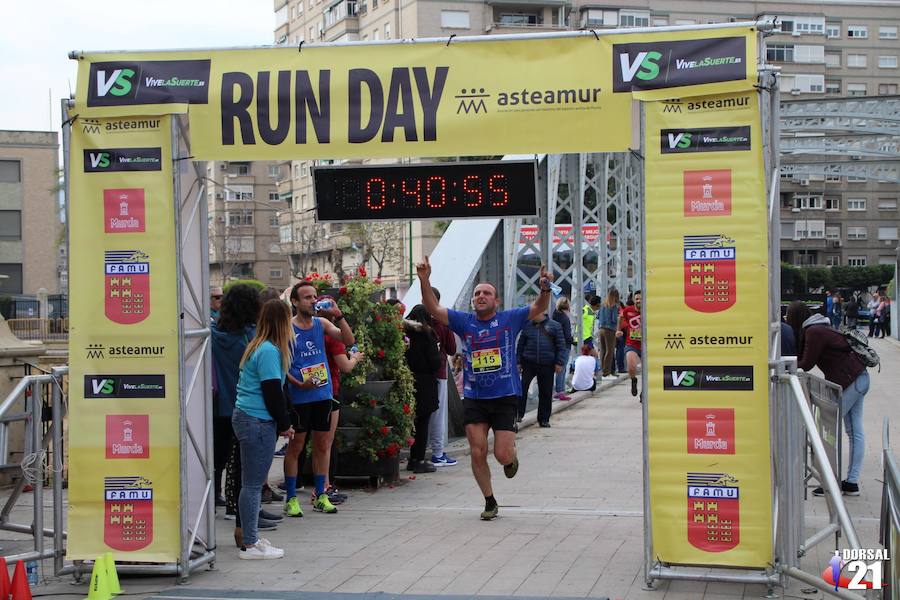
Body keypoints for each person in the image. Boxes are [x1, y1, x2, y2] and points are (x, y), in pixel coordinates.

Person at [417, 255, 554, 520]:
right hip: (475, 397)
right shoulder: (463, 321)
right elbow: (433, 309)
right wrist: (424, 280)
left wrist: (545, 288)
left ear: (496, 300)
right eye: (478, 292)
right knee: (477, 449)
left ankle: (510, 459)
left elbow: (538, 307)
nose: (481, 296)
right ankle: (490, 500)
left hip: (504, 396)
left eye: (487, 293)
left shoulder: (510, 318)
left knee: (501, 454)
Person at [282, 281, 355, 517]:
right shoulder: (287, 329)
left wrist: (339, 315)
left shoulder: (321, 323)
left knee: (323, 446)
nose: (313, 301)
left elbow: (348, 341)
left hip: (323, 394)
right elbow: (281, 367)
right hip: (300, 397)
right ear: (295, 302)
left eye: (314, 296)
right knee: (296, 446)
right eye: (307, 297)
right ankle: (291, 497)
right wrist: (299, 383)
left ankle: (321, 494)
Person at [232, 300, 295, 559]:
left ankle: (251, 538)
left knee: (251, 483)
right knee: (253, 484)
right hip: (257, 420)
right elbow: (272, 393)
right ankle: (250, 543)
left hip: (249, 417)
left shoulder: (257, 346)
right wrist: (285, 424)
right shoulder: (269, 351)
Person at [786, 300, 869, 496]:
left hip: (851, 381)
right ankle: (852, 482)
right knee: (853, 431)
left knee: (827, 428)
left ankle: (830, 481)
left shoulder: (814, 332)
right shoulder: (820, 327)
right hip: (859, 378)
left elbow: (806, 363)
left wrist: (784, 362)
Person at [318, 297, 364, 503]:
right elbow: (345, 366)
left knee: (305, 444)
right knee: (325, 443)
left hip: (311, 390)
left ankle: (318, 487)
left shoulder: (310, 329)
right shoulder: (331, 336)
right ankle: (324, 487)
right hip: (329, 390)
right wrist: (355, 358)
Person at [404, 304, 443, 473]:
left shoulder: (404, 334)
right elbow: (435, 362)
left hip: (407, 382)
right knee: (423, 423)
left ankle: (411, 458)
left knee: (411, 423)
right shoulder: (428, 335)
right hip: (425, 384)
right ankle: (418, 459)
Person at [426, 289, 459, 467]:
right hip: (438, 373)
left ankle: (420, 451)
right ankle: (437, 453)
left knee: (422, 414)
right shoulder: (443, 323)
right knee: (438, 414)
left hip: (418, 374)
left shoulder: (414, 319)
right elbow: (452, 350)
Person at [516, 313, 566, 427]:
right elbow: (520, 345)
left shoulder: (555, 326)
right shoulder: (527, 325)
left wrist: (559, 362)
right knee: (522, 388)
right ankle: (519, 413)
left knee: (546, 392)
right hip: (529, 362)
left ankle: (544, 419)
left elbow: (561, 345)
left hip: (547, 363)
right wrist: (518, 361)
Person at [617, 290, 642, 399]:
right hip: (632, 343)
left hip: (647, 344)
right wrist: (619, 330)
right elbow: (621, 317)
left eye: (641, 299)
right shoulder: (628, 310)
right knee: (631, 366)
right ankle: (633, 380)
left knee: (648, 372)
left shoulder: (650, 310)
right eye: (636, 299)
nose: (639, 301)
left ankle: (644, 393)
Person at [551, 297, 574, 401]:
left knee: (556, 368)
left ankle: (556, 390)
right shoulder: (565, 318)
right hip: (565, 345)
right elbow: (567, 335)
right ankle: (560, 391)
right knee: (562, 368)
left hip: (554, 345)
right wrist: (573, 340)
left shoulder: (554, 316)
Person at [597, 289, 620, 381]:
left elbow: (598, 316)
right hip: (610, 330)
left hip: (601, 329)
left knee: (603, 351)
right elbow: (614, 319)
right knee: (610, 351)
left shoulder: (603, 305)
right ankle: (607, 373)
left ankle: (603, 371)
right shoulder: (613, 306)